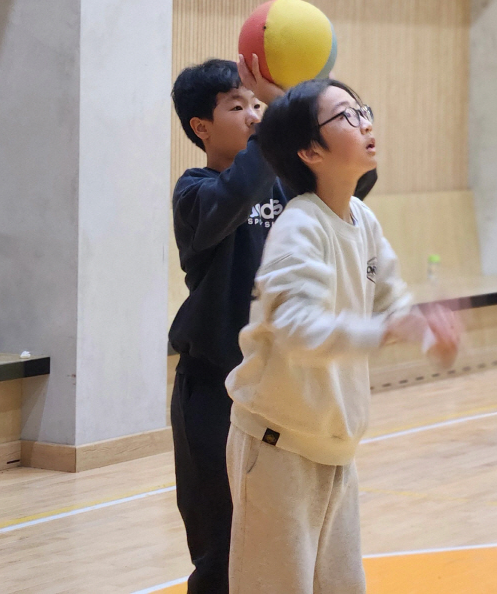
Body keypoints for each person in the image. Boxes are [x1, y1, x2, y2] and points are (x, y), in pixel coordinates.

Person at [225, 78, 461, 593]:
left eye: (363, 111)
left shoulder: (363, 219)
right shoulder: (298, 227)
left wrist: (423, 328)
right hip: (277, 447)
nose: (366, 122)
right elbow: (296, 330)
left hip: (335, 450)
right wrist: (387, 330)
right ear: (310, 150)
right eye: (347, 116)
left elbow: (391, 299)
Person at [169, 56, 377, 593]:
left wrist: (309, 111)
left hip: (282, 393)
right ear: (201, 127)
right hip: (214, 390)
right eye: (238, 106)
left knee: (294, 557)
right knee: (221, 550)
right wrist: (278, 121)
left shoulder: (289, 191)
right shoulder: (195, 193)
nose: (255, 115)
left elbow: (359, 175)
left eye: (259, 104)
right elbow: (235, 194)